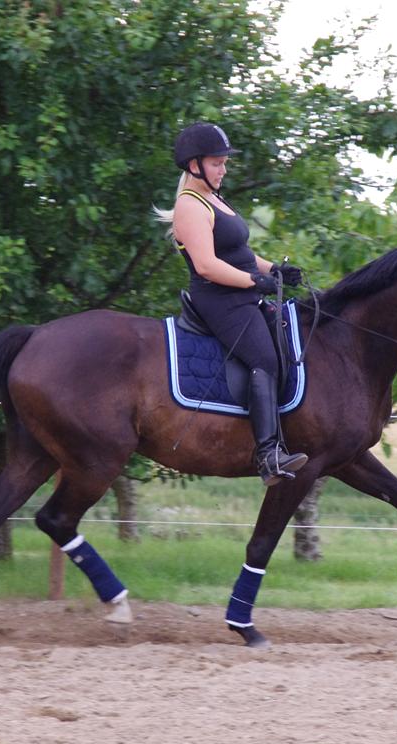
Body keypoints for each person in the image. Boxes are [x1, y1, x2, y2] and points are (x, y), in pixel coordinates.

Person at [154, 122, 308, 486]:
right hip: (220, 301)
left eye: (225, 163)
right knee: (265, 359)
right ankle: (268, 455)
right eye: (217, 163)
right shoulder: (189, 207)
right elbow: (208, 265)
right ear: (194, 165)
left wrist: (276, 270)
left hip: (241, 292)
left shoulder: (215, 199)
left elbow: (240, 255)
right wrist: (257, 282)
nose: (224, 169)